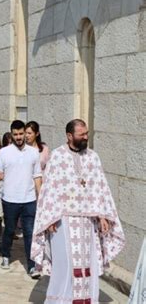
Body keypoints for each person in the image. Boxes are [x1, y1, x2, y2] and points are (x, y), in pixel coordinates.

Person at [31, 119, 125, 303]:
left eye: (86, 133)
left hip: (88, 222)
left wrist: (103, 215)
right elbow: (50, 189)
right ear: (69, 136)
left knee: (87, 263)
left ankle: (86, 299)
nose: (85, 137)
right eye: (81, 134)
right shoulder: (57, 156)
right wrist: (49, 218)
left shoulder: (92, 157)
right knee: (65, 265)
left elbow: (100, 188)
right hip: (62, 221)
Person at [0, 120, 42, 279]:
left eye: (21, 133)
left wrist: (40, 196)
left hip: (29, 199)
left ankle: (31, 265)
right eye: (15, 134)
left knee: (29, 232)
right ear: (11, 135)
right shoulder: (4, 153)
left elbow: (37, 176)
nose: (19, 137)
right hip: (10, 199)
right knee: (9, 229)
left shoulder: (34, 152)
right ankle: (6, 254)